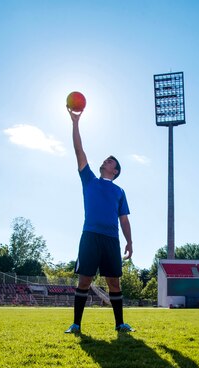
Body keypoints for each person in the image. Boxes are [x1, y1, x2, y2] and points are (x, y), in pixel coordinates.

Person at [65, 106, 134, 334]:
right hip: (91, 236)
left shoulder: (120, 191)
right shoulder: (90, 181)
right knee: (84, 280)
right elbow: (79, 150)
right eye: (105, 160)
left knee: (114, 283)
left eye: (110, 161)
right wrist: (75, 123)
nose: (105, 162)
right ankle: (76, 324)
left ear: (115, 171)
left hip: (110, 240)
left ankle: (120, 324)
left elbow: (124, 219)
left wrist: (130, 242)